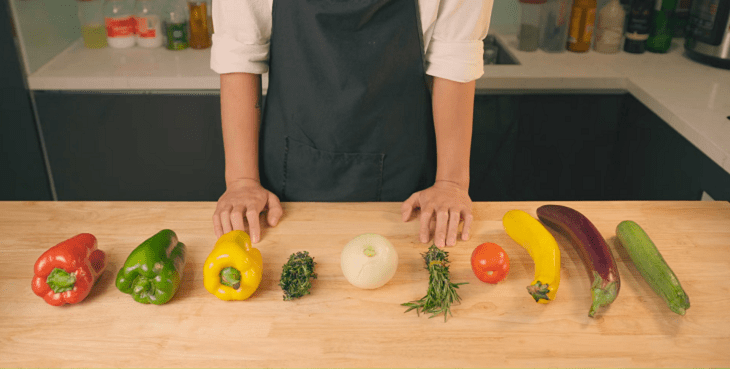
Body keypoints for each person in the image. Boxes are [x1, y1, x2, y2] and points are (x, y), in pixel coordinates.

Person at [211, 0, 494, 247]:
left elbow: (455, 60)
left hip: (404, 181)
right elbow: (239, 54)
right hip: (289, 175)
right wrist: (242, 181)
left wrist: (450, 183)